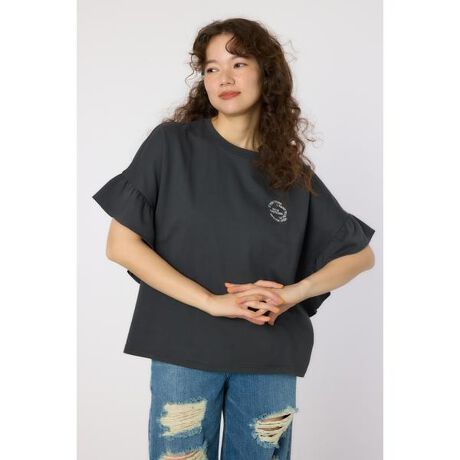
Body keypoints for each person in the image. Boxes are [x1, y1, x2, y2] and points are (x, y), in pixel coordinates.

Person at [92, 17, 376, 460]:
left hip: (268, 353)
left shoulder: (290, 174)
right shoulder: (171, 146)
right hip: (182, 346)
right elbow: (121, 245)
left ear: (267, 74)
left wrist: (293, 294)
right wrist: (211, 302)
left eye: (238, 63)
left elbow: (359, 255)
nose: (223, 78)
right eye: (211, 68)